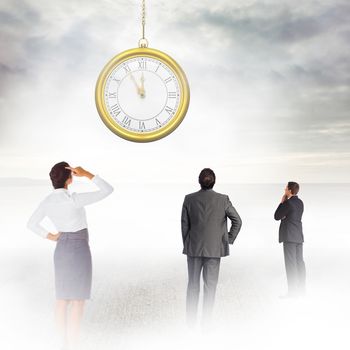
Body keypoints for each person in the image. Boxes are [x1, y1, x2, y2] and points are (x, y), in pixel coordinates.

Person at [27, 162, 113, 349]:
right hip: (79, 248)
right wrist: (87, 174)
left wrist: (51, 236)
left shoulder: (47, 201)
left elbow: (31, 224)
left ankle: (60, 343)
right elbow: (108, 190)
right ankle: (73, 344)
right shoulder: (73, 199)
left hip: (61, 249)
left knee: (62, 298)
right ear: (70, 178)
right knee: (77, 300)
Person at [181, 168, 242, 328]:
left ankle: (190, 325)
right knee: (210, 288)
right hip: (214, 250)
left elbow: (184, 225)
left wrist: (187, 243)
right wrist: (227, 240)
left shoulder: (189, 199)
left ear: (199, 181)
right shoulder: (223, 199)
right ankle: (206, 325)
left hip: (193, 248)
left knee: (193, 286)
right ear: (214, 181)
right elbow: (238, 221)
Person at [274, 181, 306, 297]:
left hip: (289, 237)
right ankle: (302, 290)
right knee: (299, 263)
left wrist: (282, 202)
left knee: (290, 264)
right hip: (298, 236)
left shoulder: (288, 203)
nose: (284, 190)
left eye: (285, 189)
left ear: (289, 190)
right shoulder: (300, 202)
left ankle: (292, 292)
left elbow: (277, 216)